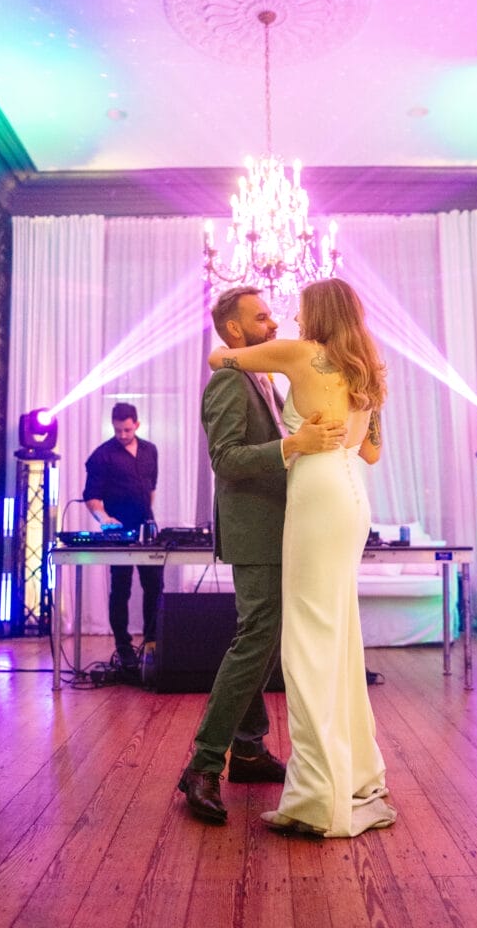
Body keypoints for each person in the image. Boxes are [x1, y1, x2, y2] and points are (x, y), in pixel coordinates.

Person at [208, 277, 397, 837]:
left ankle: (318, 798)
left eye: (299, 309)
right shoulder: (367, 369)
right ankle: (356, 777)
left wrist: (297, 435)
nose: (286, 320)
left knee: (309, 645)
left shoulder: (300, 353)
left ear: (318, 313)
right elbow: (371, 451)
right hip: (352, 496)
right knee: (340, 640)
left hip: (317, 496)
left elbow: (220, 357)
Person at [178, 286, 347, 825]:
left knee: (261, 639)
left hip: (281, 530)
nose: (274, 324)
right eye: (262, 317)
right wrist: (292, 447)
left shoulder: (264, 379)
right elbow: (226, 459)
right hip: (255, 533)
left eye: (273, 315)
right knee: (257, 639)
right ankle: (203, 763)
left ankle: (249, 751)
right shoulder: (229, 380)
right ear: (234, 330)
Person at [83, 402, 163, 668]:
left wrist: (147, 515)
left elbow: (151, 488)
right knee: (121, 587)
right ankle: (123, 648)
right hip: (119, 532)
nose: (122, 435)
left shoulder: (150, 450)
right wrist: (104, 519)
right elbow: (92, 498)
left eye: (127, 430)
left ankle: (152, 643)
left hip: (147, 528)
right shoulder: (101, 455)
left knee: (154, 585)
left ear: (136, 425)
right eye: (118, 430)